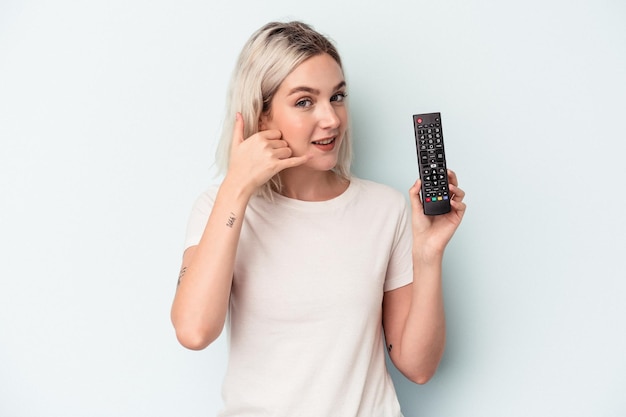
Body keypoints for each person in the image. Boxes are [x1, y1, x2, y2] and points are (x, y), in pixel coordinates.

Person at [171, 20, 466, 417]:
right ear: (262, 117)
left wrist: (428, 256)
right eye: (304, 101)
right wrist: (237, 189)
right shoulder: (219, 208)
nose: (331, 119)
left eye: (338, 96)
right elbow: (193, 331)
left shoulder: (385, 209)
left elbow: (418, 367)